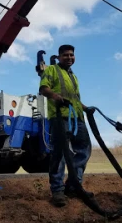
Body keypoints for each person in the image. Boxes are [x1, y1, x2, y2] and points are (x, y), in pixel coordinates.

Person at [39, 44, 92, 207]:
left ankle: (73, 185)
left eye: (71, 55)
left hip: (77, 118)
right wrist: (55, 96)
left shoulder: (73, 76)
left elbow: (74, 98)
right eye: (65, 55)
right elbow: (43, 89)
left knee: (84, 149)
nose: (69, 57)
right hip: (59, 117)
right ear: (59, 56)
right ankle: (57, 190)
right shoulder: (51, 70)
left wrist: (85, 108)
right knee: (59, 153)